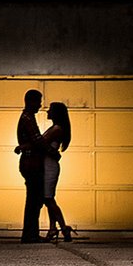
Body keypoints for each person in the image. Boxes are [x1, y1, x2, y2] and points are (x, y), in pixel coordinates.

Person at [16, 87, 50, 242]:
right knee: (34, 200)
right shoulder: (28, 118)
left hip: (29, 162)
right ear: (30, 101)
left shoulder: (26, 117)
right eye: (38, 102)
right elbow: (37, 140)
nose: (40, 105)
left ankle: (30, 233)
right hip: (31, 163)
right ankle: (31, 234)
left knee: (34, 199)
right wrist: (51, 151)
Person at [41, 101, 77, 242]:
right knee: (48, 199)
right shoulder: (54, 127)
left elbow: (41, 143)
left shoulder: (57, 129)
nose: (47, 112)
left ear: (56, 113)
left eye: (50, 110)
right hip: (47, 165)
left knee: (48, 199)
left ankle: (63, 228)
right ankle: (53, 229)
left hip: (49, 167)